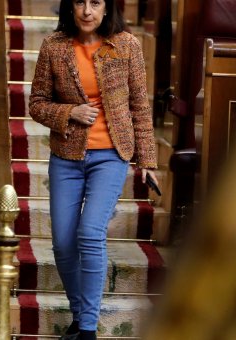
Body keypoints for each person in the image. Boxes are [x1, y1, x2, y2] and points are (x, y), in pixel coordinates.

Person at [28, 0, 158, 339]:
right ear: (70, 7)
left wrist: (147, 160)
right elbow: (37, 104)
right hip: (66, 157)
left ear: (107, 8)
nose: (87, 11)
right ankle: (79, 314)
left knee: (89, 233)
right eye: (80, 2)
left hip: (111, 156)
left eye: (96, 3)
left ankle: (87, 330)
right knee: (63, 243)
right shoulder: (53, 47)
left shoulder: (126, 45)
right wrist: (69, 112)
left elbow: (139, 106)